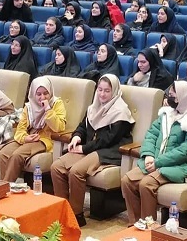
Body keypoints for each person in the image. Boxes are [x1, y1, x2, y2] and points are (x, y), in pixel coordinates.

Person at [120, 81, 187, 225]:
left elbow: (186, 151)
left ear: (183, 98)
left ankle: (149, 227)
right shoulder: (167, 115)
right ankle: (136, 224)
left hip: (181, 166)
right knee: (127, 181)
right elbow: (151, 134)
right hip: (156, 161)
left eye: (173, 96)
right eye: (169, 95)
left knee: (146, 184)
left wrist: (158, 162)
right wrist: (148, 155)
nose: (169, 98)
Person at [51, 75, 134, 227]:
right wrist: (76, 137)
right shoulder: (93, 107)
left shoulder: (121, 112)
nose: (102, 94)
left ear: (114, 91)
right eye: (100, 90)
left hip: (109, 151)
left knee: (76, 171)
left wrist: (83, 148)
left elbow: (108, 140)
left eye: (107, 91)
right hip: (91, 148)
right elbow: (83, 126)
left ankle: (76, 215)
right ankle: (62, 210)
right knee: (57, 167)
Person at [0, 77, 66, 182]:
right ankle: (6, 186)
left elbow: (59, 127)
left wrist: (48, 109)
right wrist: (25, 138)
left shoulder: (57, 103)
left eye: (46, 93)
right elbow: (20, 129)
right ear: (33, 94)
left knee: (17, 155)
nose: (43, 97)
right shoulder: (29, 107)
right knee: (2, 154)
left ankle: (5, 186)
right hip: (28, 138)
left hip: (44, 139)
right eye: (39, 94)